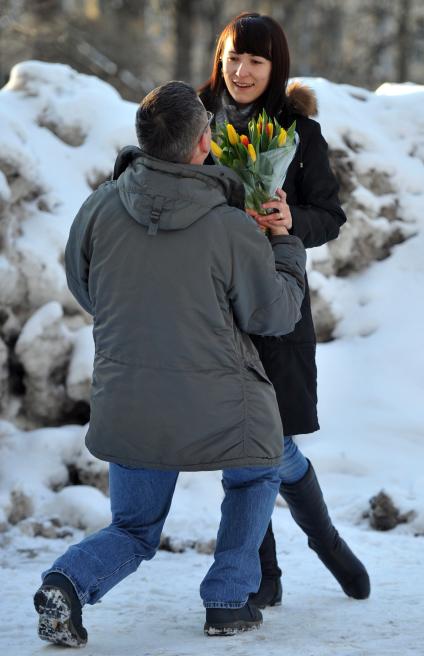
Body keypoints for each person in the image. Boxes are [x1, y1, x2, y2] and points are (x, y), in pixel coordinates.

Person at [32, 81, 307, 646]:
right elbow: (274, 314)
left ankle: (66, 582)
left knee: (133, 528)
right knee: (259, 467)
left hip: (127, 397)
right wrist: (283, 244)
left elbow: (88, 289)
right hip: (221, 408)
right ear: (202, 144)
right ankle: (229, 600)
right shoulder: (230, 225)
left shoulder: (100, 206)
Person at [199, 12, 371, 608]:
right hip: (210, 306)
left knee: (275, 441)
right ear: (218, 58)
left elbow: (332, 215)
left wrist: (291, 220)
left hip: (276, 299)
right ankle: (259, 575)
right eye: (233, 57)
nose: (240, 71)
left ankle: (326, 543)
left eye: (256, 60)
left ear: (276, 69)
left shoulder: (298, 132)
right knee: (238, 442)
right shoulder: (192, 119)